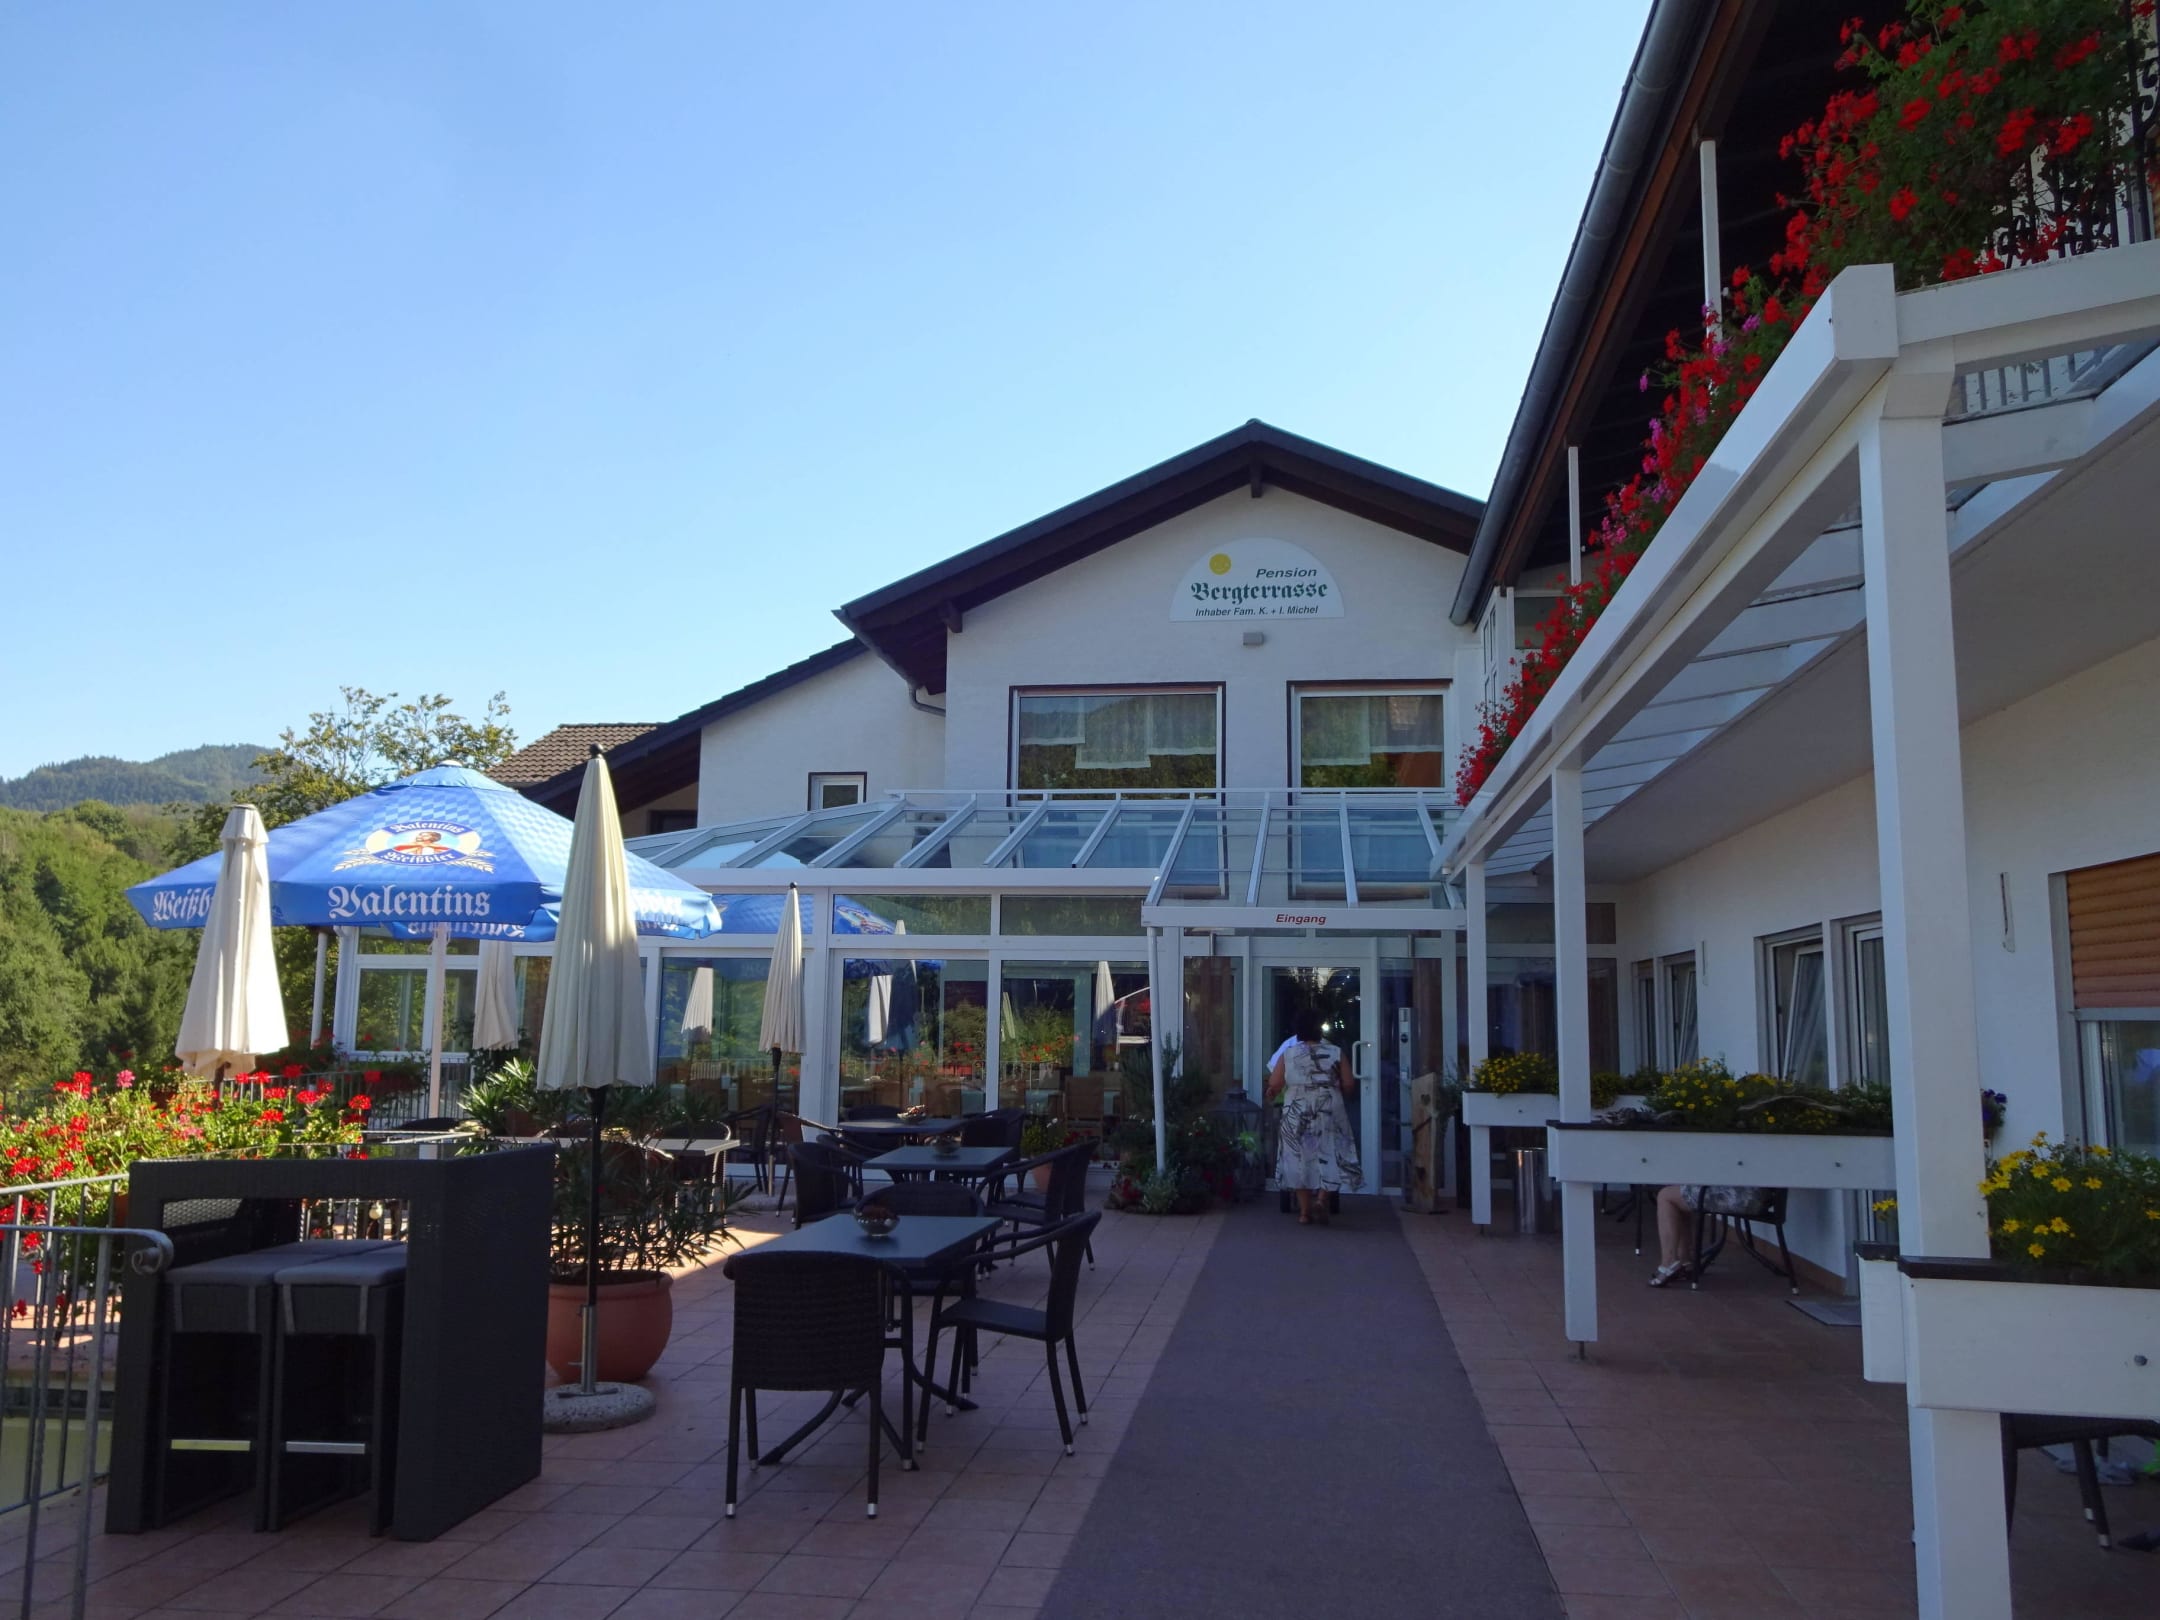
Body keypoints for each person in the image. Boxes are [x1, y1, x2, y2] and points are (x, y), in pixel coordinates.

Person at [1267, 1010, 1361, 1224]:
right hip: (1328, 1106)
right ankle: (1321, 1199)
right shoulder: (1335, 1052)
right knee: (1330, 1151)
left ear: (1298, 1031)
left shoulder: (1288, 1054)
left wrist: (1274, 1091)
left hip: (1297, 1108)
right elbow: (1348, 1083)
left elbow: (1275, 1083)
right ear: (1319, 1030)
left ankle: (1304, 1212)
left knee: (1297, 1156)